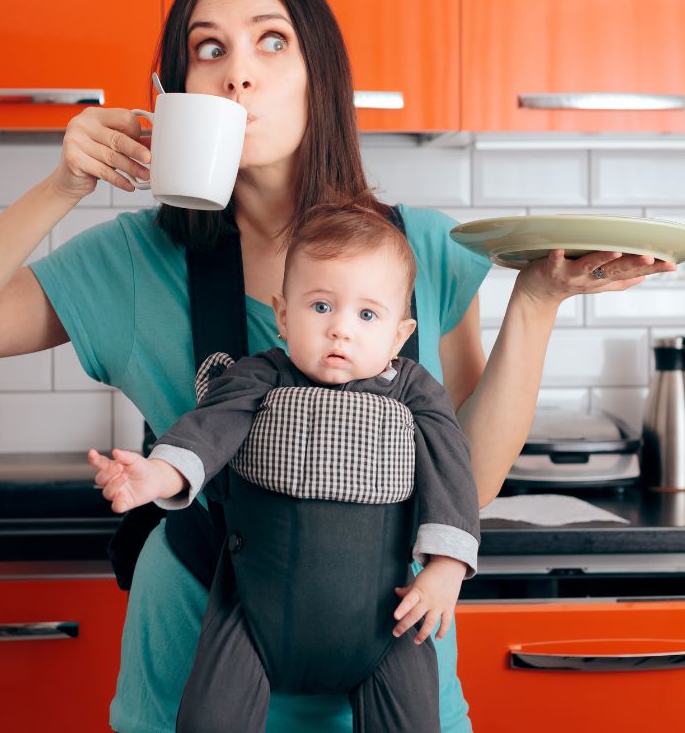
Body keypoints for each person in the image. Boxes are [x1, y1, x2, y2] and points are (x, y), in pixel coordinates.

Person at [0, 0, 674, 732]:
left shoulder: (421, 251)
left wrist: (537, 302)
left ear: (319, 75)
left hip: (390, 669)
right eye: (209, 49)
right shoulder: (134, 262)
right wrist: (65, 182)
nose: (238, 75)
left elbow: (468, 484)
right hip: (194, 675)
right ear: (175, 93)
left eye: (271, 41)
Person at [89, 202, 480, 732]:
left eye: (367, 315)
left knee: (412, 717)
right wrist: (155, 477)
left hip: (384, 623)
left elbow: (452, 473)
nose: (340, 330)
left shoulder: (414, 392)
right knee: (211, 716)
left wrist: (446, 569)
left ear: (398, 333)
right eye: (321, 306)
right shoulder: (259, 378)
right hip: (250, 614)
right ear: (283, 314)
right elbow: (207, 432)